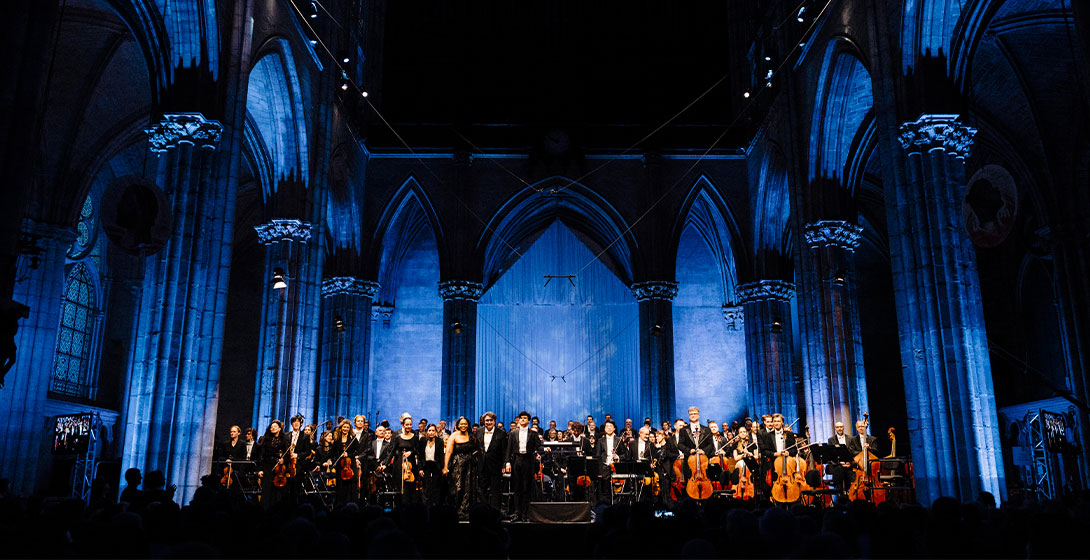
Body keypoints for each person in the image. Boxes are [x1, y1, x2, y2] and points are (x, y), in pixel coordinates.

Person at [505, 411, 541, 521]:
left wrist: (537, 438)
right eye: (521, 418)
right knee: (517, 488)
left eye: (525, 418)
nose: (523, 420)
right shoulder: (513, 433)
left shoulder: (533, 433)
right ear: (519, 420)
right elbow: (509, 449)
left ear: (529, 421)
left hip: (528, 460)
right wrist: (507, 462)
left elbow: (538, 446)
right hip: (517, 459)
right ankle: (517, 513)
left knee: (527, 488)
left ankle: (525, 514)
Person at [443, 416, 478, 519]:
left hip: (469, 465)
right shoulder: (453, 436)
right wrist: (445, 467)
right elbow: (448, 452)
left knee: (469, 487)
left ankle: (466, 511)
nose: (463, 425)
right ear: (458, 425)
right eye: (461, 424)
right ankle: (456, 510)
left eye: (465, 424)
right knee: (458, 487)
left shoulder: (472, 436)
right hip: (457, 464)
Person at [475, 411, 506, 509]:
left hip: (496, 466)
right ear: (484, 421)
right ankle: (483, 511)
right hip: (482, 465)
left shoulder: (501, 433)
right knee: (482, 489)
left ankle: (495, 512)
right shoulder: (479, 431)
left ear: (494, 421)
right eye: (486, 420)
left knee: (495, 490)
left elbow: (504, 451)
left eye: (490, 420)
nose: (488, 422)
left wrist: (504, 465)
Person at [257, 420, 289, 508]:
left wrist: (283, 460)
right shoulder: (265, 439)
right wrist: (260, 469)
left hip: (279, 468)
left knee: (277, 491)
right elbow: (261, 455)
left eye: (275, 426)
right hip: (267, 466)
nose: (273, 428)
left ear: (279, 428)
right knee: (266, 489)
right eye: (271, 427)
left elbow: (287, 454)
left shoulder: (284, 439)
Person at [393, 413, 421, 502]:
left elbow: (419, 451)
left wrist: (411, 452)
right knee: (401, 489)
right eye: (407, 424)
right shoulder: (398, 437)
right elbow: (392, 452)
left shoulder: (415, 437)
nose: (409, 426)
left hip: (411, 465)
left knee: (411, 490)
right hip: (400, 464)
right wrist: (385, 464)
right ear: (403, 425)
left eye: (410, 424)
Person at [827, 421, 854, 493]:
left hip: (848, 464)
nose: (839, 429)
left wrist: (849, 462)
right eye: (837, 427)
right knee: (839, 470)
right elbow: (832, 454)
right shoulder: (831, 440)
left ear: (843, 427)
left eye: (841, 427)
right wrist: (840, 462)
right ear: (835, 428)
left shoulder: (851, 438)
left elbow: (852, 452)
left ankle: (850, 493)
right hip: (838, 464)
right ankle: (839, 492)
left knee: (851, 472)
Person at [421, 424, 443, 506]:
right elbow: (420, 456)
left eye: (433, 430)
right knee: (426, 488)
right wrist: (420, 468)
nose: (431, 432)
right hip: (425, 466)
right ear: (427, 432)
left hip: (436, 466)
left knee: (436, 488)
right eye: (429, 430)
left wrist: (443, 468)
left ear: (436, 432)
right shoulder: (423, 441)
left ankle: (435, 507)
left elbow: (441, 456)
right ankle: (426, 507)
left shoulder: (439, 441)